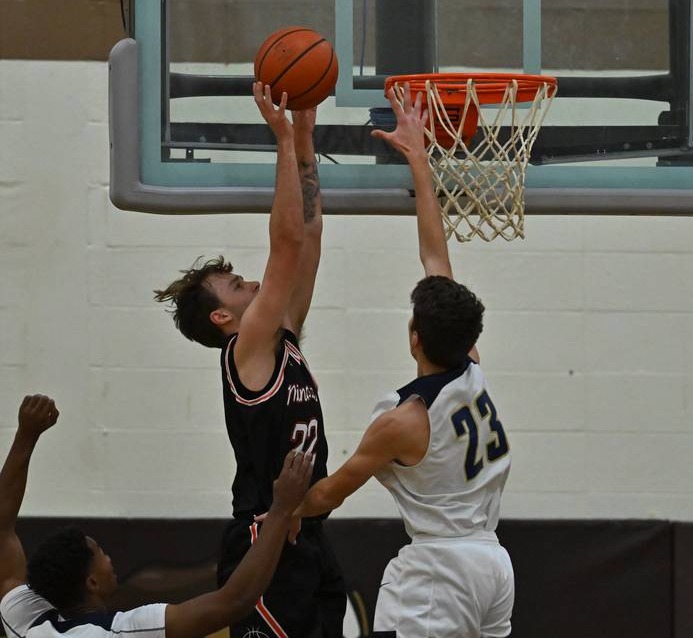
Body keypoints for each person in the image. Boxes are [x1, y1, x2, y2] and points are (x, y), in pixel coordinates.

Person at [268, 84, 515, 638]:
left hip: (440, 572)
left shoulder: (404, 423)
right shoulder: (469, 363)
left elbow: (330, 493)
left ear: (414, 338)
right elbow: (435, 255)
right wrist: (419, 160)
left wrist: (281, 512)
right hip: (493, 564)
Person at [154, 83, 345, 638]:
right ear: (223, 319)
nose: (255, 283)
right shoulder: (249, 345)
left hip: (304, 532)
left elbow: (308, 236)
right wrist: (282, 140)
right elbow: (284, 245)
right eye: (237, 286)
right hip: (267, 537)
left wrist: (306, 139)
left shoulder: (279, 335)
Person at [0, 394, 314, 638]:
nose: (109, 557)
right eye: (100, 553)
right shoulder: (119, 632)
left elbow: (2, 533)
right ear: (92, 582)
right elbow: (234, 601)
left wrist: (26, 435)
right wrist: (281, 509)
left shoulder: (29, 623)